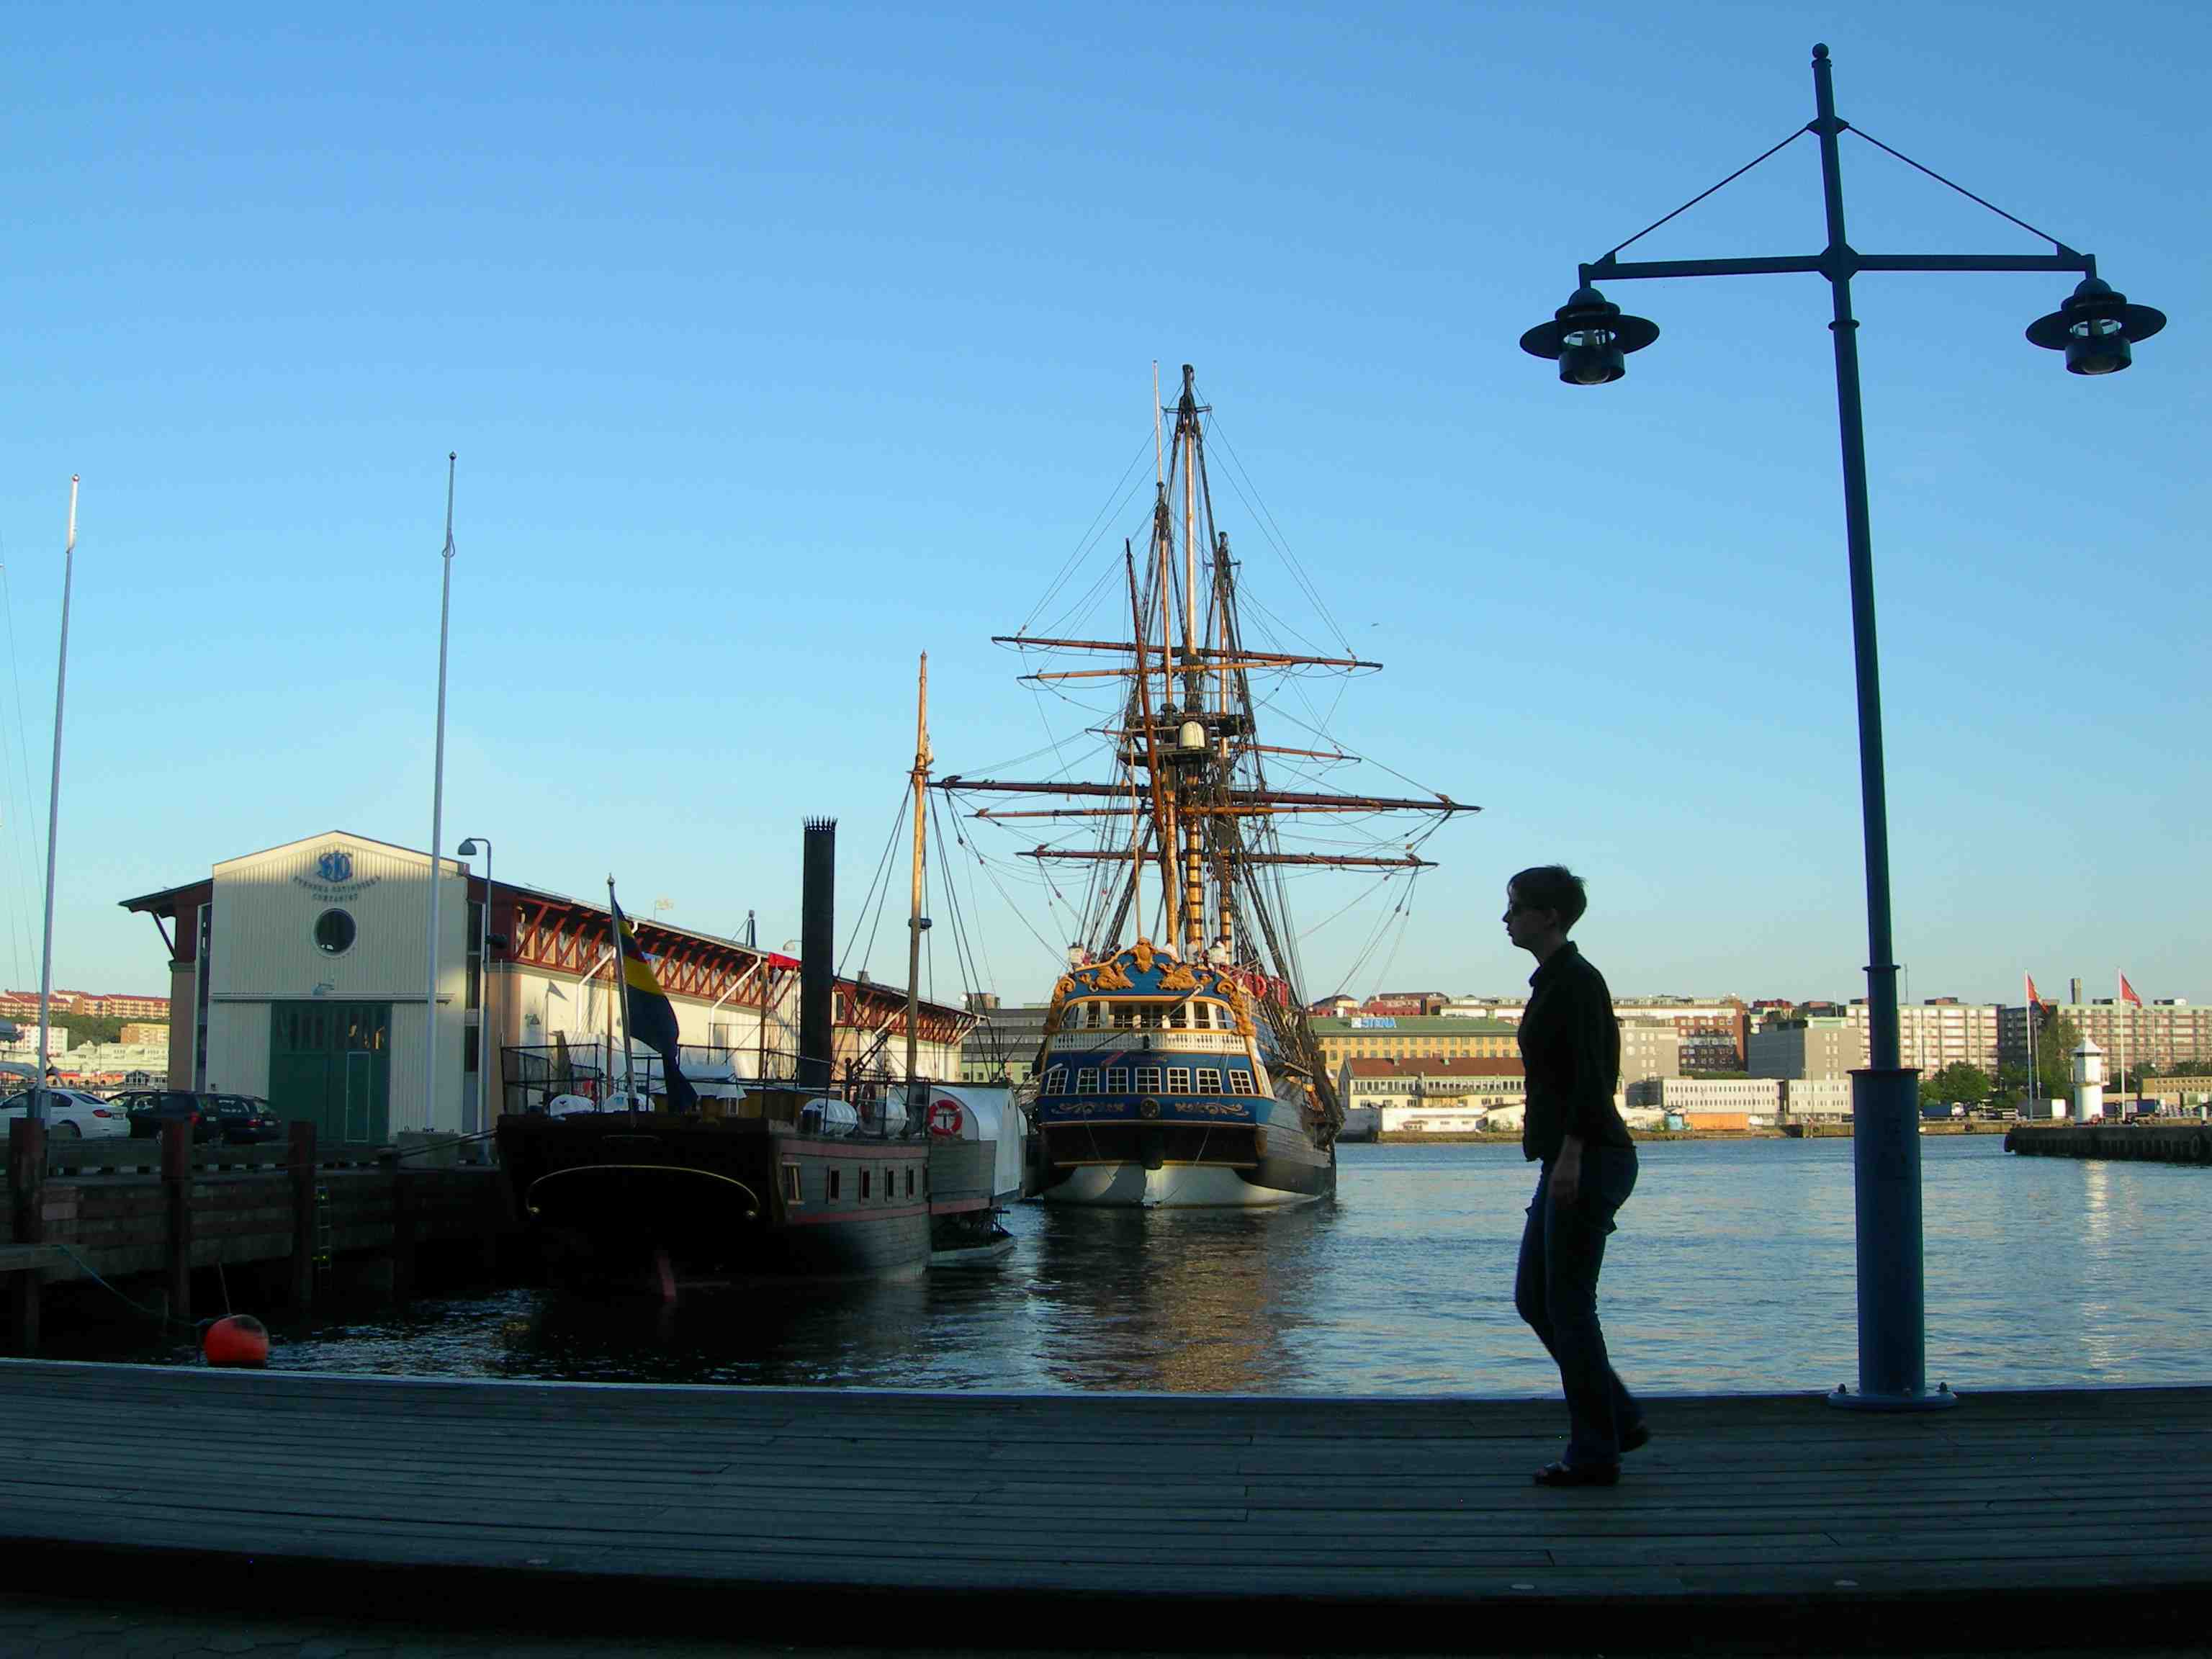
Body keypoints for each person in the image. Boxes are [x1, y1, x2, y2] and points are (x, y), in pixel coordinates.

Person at [1504, 864, 1647, 1488]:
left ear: (1549, 916)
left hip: (1587, 1157)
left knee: (1566, 1304)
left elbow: (1594, 1077)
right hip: (1571, 1157)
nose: (1507, 918)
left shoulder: (1577, 983)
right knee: (1538, 1299)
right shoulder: (1556, 981)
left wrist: (1570, 1155)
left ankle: (1594, 1452)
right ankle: (1616, 1420)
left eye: (1516, 907)